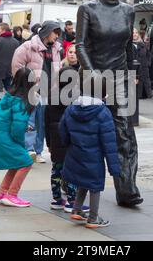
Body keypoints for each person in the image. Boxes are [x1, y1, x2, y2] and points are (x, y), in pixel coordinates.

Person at [75, 0, 143, 207]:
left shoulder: (128, 10)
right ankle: (77, 187)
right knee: (90, 135)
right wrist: (90, 72)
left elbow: (127, 47)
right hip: (93, 78)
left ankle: (127, 189)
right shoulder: (88, 9)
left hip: (120, 79)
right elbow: (80, 44)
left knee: (124, 133)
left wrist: (132, 73)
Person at [59, 89, 120, 228]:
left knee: (82, 180)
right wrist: (114, 168)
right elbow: (109, 142)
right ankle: (93, 218)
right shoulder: (103, 113)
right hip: (94, 155)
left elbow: (62, 129)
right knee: (95, 185)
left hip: (75, 152)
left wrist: (69, 144)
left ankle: (77, 209)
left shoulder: (71, 108)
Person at [12, 21, 62, 164]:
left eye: (59, 33)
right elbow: (17, 66)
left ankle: (38, 151)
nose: (57, 36)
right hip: (31, 91)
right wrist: (24, 86)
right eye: (55, 32)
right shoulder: (28, 46)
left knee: (42, 123)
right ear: (47, 31)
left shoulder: (56, 49)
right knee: (29, 121)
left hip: (49, 92)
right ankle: (28, 149)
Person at [0, 67, 36, 208]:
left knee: (16, 163)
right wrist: (20, 142)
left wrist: (23, 126)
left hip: (0, 135)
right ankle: (12, 195)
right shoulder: (21, 101)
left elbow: (8, 120)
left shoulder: (8, 97)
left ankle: (1, 193)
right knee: (26, 161)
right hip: (8, 138)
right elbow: (16, 129)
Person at [46, 66, 89, 213]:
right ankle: (72, 201)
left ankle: (57, 199)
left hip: (55, 136)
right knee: (72, 170)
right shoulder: (76, 98)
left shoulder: (51, 96)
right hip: (70, 137)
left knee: (56, 169)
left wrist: (48, 142)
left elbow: (45, 121)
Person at [0, 23, 20, 102]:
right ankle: (14, 102)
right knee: (9, 87)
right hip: (9, 69)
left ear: (3, 30)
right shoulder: (16, 42)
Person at [132, 28, 152, 100]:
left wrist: (147, 64)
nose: (135, 34)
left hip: (143, 67)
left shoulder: (142, 44)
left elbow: (149, 55)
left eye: (136, 33)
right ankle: (137, 94)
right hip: (133, 68)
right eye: (133, 33)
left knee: (144, 81)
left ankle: (144, 94)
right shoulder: (128, 45)